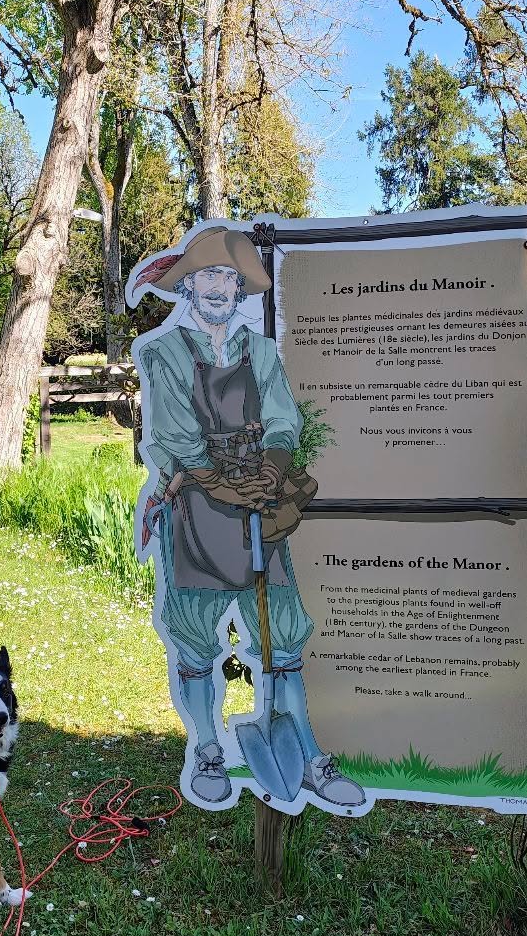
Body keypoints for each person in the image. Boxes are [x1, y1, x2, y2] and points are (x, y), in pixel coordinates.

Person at [132, 226, 364, 809]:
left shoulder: (259, 352)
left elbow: (283, 420)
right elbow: (177, 433)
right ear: (188, 286)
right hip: (198, 514)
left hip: (261, 507)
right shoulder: (163, 352)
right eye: (208, 275)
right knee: (195, 638)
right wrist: (220, 483)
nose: (219, 287)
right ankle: (208, 745)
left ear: (240, 292)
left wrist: (273, 477)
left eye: (230, 279)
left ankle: (308, 754)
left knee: (281, 632)